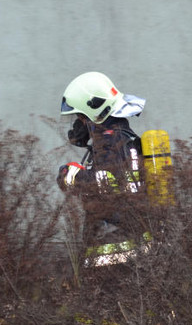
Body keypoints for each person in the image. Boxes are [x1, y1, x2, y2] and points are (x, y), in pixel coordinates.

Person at [57, 70, 148, 268]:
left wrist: (71, 175)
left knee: (96, 285)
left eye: (80, 117)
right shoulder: (121, 135)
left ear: (93, 114)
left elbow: (107, 182)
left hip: (117, 247)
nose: (79, 123)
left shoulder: (110, 140)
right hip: (125, 237)